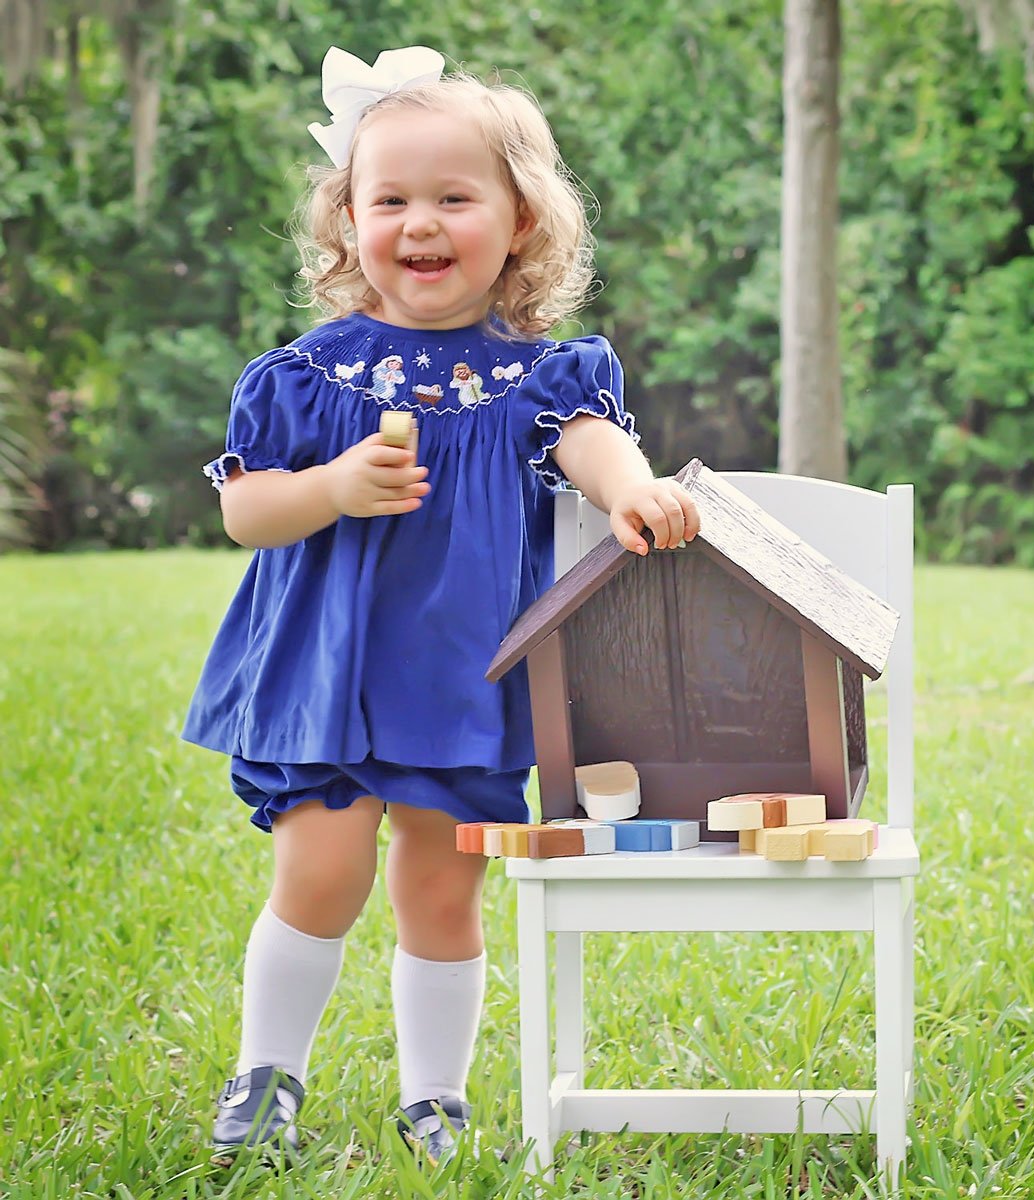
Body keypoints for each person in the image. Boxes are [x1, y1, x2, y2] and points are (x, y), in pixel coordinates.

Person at [182, 44, 700, 1165]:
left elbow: (594, 443)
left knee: (441, 888)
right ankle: (265, 1078)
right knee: (320, 876)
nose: (420, 223)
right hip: (329, 669)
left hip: (463, 674)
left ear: (520, 220)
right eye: (391, 199)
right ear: (348, 221)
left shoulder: (536, 376)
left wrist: (634, 492)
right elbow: (248, 511)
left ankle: (434, 1100)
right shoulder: (307, 376)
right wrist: (331, 487)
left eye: (455, 198)